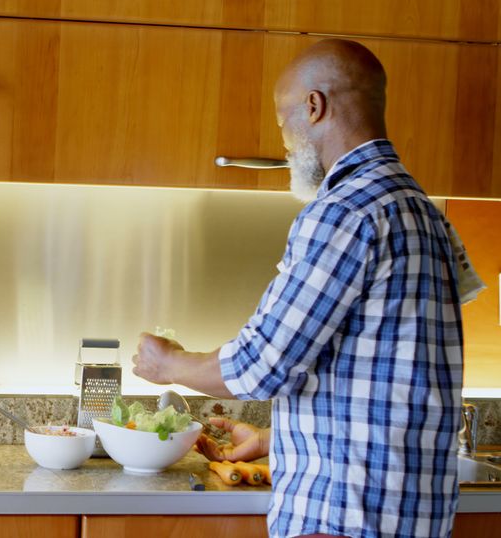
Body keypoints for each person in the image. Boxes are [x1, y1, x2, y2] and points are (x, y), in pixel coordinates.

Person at [131, 39, 469, 538]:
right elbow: (386, 375)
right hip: (408, 518)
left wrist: (169, 365)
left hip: (343, 520)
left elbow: (261, 366)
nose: (284, 138)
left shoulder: (345, 210)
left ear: (314, 106)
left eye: (281, 118)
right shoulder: (423, 211)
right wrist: (275, 438)